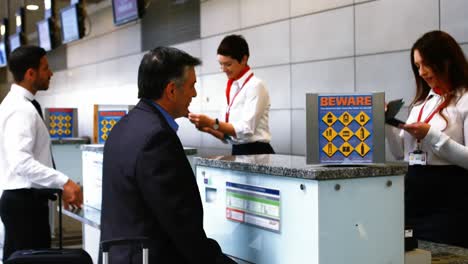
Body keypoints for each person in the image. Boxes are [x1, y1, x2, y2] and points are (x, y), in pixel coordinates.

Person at [100, 47, 236, 264]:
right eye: (192, 86)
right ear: (172, 90)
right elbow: (179, 221)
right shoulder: (157, 139)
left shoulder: (123, 127)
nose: (194, 94)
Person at [0, 45, 83, 261]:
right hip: (24, 206)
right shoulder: (21, 109)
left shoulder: (17, 105)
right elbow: (21, 162)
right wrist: (64, 182)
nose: (51, 73)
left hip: (22, 203)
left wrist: (56, 186)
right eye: (45, 68)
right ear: (30, 73)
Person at [386, 30, 468, 247]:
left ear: (446, 61)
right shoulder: (423, 102)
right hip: (413, 196)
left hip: (449, 199)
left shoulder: (465, 100)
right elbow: (398, 152)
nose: (421, 72)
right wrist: (386, 123)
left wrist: (431, 135)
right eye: (417, 66)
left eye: (425, 64)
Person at [188, 34, 275, 155]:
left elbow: (246, 130)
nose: (223, 69)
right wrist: (208, 128)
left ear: (244, 59)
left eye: (228, 64)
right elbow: (228, 135)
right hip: (238, 151)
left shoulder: (255, 86)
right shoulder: (232, 87)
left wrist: (211, 123)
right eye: (221, 64)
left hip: (257, 152)